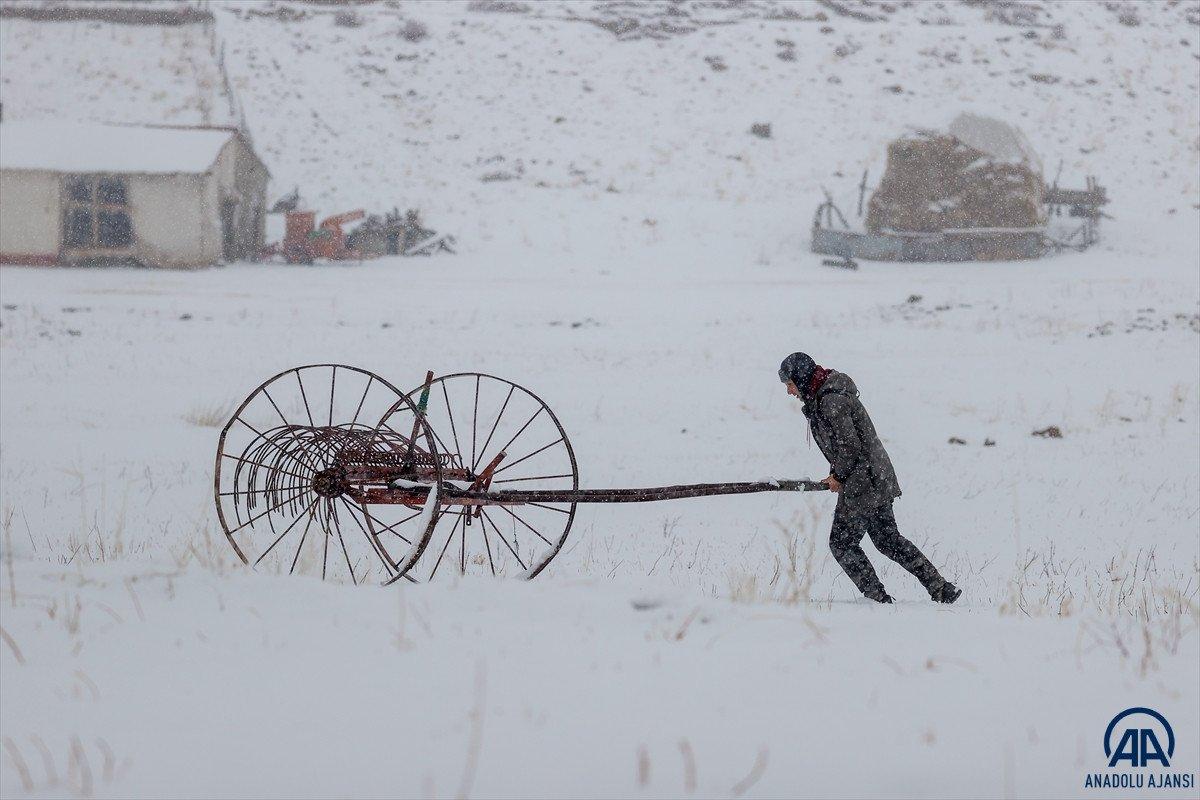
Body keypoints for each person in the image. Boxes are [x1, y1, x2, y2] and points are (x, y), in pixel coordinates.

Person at [779, 352, 961, 604]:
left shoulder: (831, 400)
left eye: (789, 384)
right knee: (888, 540)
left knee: (841, 544)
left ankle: (877, 600)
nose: (789, 391)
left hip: (863, 481)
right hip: (875, 476)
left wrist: (839, 475)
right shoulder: (825, 397)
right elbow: (847, 446)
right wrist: (836, 474)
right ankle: (941, 588)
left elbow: (849, 446)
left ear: (801, 378)